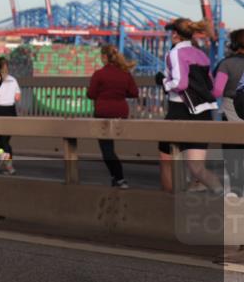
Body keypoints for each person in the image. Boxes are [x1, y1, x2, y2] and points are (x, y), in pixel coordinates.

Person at [156, 18, 222, 194]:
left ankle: (167, 204)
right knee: (197, 168)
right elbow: (212, 86)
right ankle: (224, 194)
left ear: (175, 34)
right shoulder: (201, 54)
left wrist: (163, 83)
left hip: (180, 110)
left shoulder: (175, 53)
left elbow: (181, 83)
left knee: (166, 160)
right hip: (204, 112)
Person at [87, 44, 140, 189]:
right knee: (110, 148)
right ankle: (115, 178)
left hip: (103, 114)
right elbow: (134, 93)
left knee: (107, 149)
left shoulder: (99, 74)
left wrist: (103, 94)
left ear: (104, 57)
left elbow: (91, 94)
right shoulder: (125, 74)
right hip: (121, 114)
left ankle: (119, 178)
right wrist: (120, 94)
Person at [213, 29, 244, 197]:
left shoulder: (226, 64)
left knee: (232, 156)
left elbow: (217, 90)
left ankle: (235, 191)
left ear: (234, 44)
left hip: (232, 111)